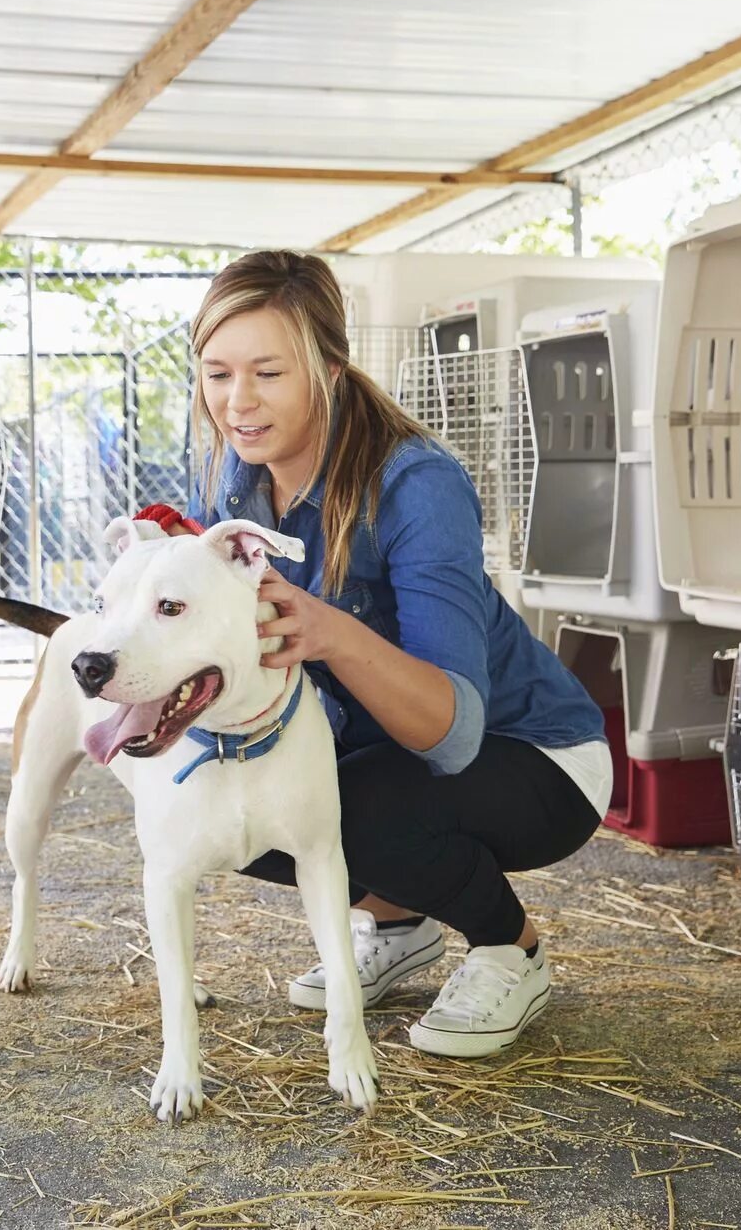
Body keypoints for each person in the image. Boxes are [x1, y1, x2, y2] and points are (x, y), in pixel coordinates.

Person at [184, 251, 614, 1059]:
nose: (237, 402)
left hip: (535, 758)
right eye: (217, 373)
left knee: (352, 803)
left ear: (330, 368)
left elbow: (451, 733)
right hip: (387, 756)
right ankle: (396, 917)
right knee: (223, 792)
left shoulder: (415, 484)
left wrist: (329, 630)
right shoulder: (234, 482)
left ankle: (509, 947)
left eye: (268, 373)